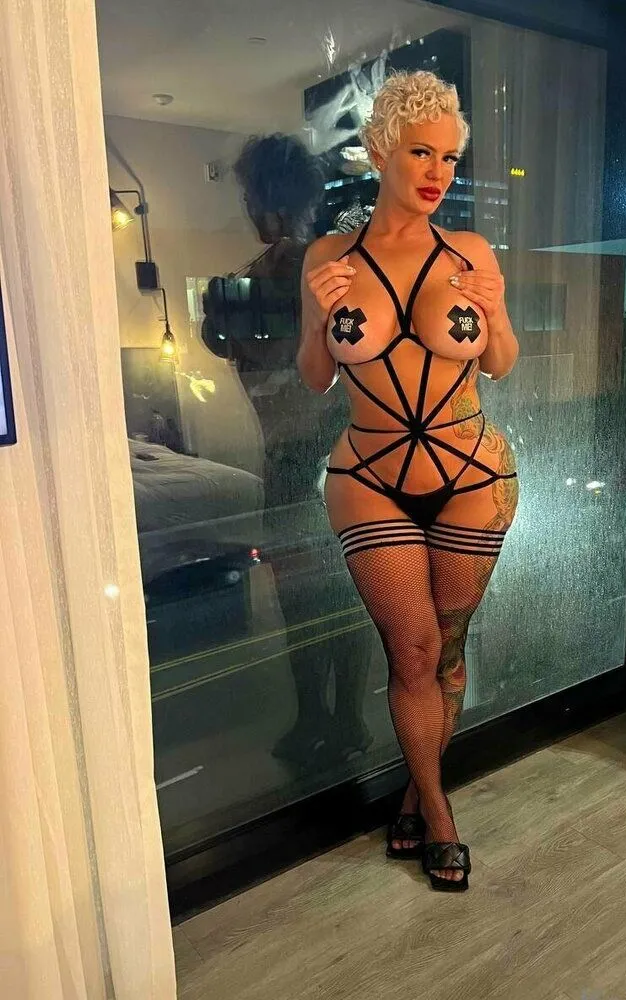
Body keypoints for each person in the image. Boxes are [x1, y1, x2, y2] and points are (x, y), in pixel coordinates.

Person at [297, 71, 519, 892]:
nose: (438, 173)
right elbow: (314, 376)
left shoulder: (470, 254)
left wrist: (495, 310)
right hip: (369, 476)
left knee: (447, 653)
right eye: (421, 153)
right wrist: (319, 317)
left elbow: (500, 363)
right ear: (381, 150)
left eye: (450, 158)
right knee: (413, 650)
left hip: (471, 472)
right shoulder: (329, 259)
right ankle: (442, 817)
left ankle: (414, 800)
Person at [215, 133, 375, 767]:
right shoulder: (266, 280)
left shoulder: (316, 276)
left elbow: (353, 373)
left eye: (251, 198)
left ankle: (341, 718)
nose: (251, 210)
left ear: (267, 203)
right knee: (316, 597)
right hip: (303, 461)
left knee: (326, 597)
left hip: (318, 461)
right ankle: (324, 717)